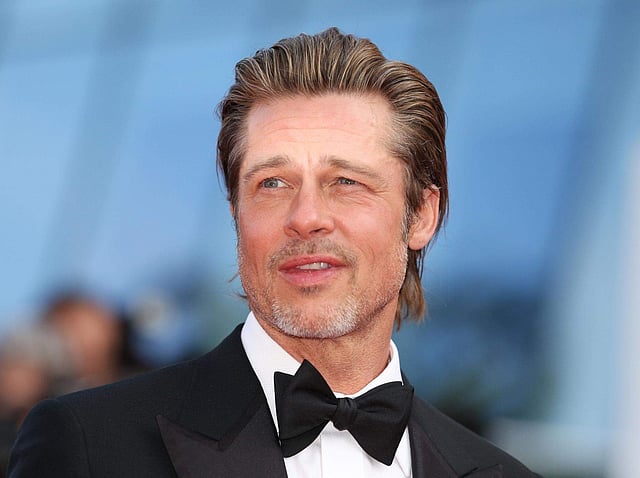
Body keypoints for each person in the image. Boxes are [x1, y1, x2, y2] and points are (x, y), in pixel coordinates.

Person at [8, 28, 539, 477]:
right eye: (273, 183)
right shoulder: (89, 447)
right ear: (236, 214)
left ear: (421, 215)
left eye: (347, 181)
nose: (306, 216)